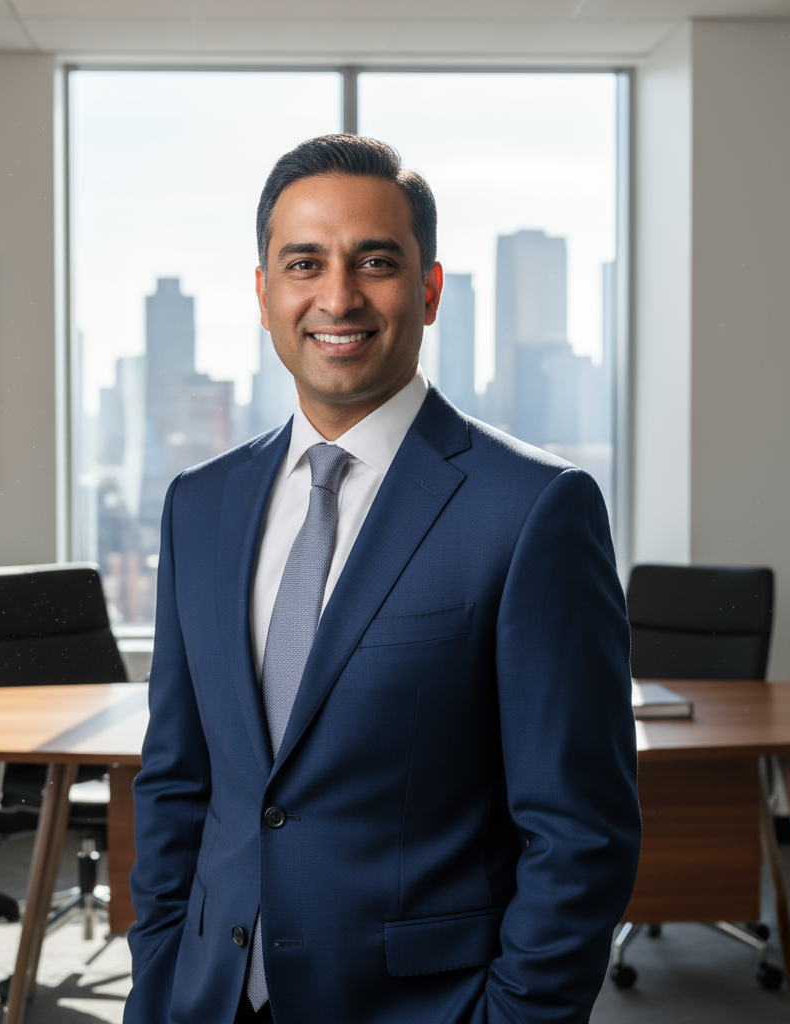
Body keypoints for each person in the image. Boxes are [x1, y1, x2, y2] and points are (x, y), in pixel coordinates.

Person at [124, 134, 640, 1024]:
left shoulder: (533, 510)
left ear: (428, 290)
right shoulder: (198, 506)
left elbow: (580, 833)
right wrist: (158, 983)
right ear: (264, 294)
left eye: (375, 262)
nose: (338, 297)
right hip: (206, 998)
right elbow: (177, 784)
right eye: (304, 264)